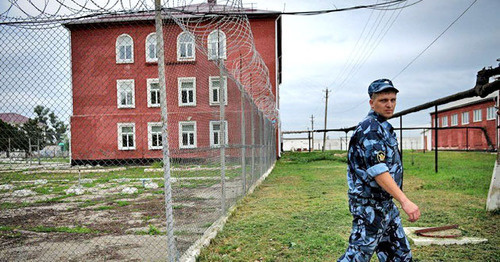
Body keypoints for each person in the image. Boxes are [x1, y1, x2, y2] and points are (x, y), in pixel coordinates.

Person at [338, 79, 420, 262]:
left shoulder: (383, 127)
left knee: (399, 255)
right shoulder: (370, 129)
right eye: (383, 100)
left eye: (393, 99)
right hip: (369, 206)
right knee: (357, 256)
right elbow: (378, 171)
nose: (389, 104)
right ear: (371, 102)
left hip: (385, 203)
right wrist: (405, 201)